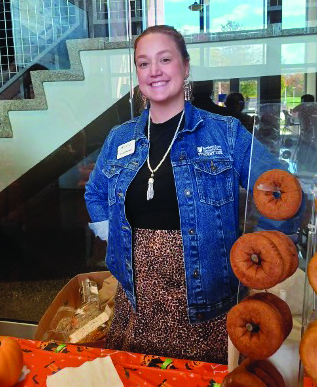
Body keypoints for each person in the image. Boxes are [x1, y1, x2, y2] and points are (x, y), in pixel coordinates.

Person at [84, 25, 298, 364]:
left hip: (205, 308)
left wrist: (265, 255)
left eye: (164, 59)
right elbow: (95, 192)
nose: (154, 71)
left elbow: (282, 189)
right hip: (137, 304)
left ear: (185, 67)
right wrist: (117, 239)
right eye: (143, 63)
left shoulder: (224, 134)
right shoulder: (119, 138)